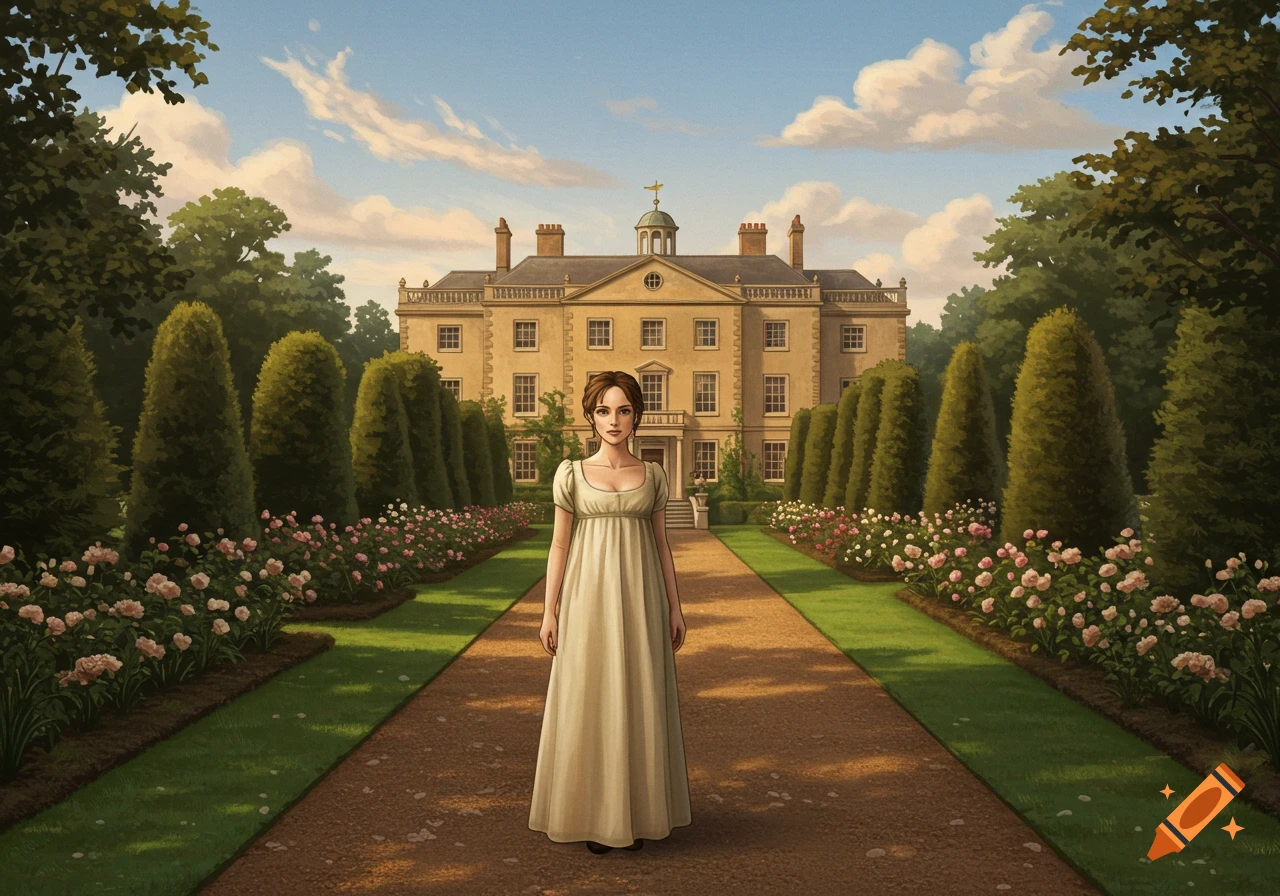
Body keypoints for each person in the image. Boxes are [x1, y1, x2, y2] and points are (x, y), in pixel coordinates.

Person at [528, 371, 692, 854]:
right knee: (590, 694)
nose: (613, 420)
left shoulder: (654, 475)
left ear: (636, 416)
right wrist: (549, 612)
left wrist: (675, 607)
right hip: (586, 600)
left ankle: (636, 814)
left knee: (639, 695)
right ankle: (591, 816)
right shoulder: (571, 474)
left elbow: (662, 546)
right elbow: (559, 545)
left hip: (641, 601)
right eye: (603, 410)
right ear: (591, 416)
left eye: (623, 410)